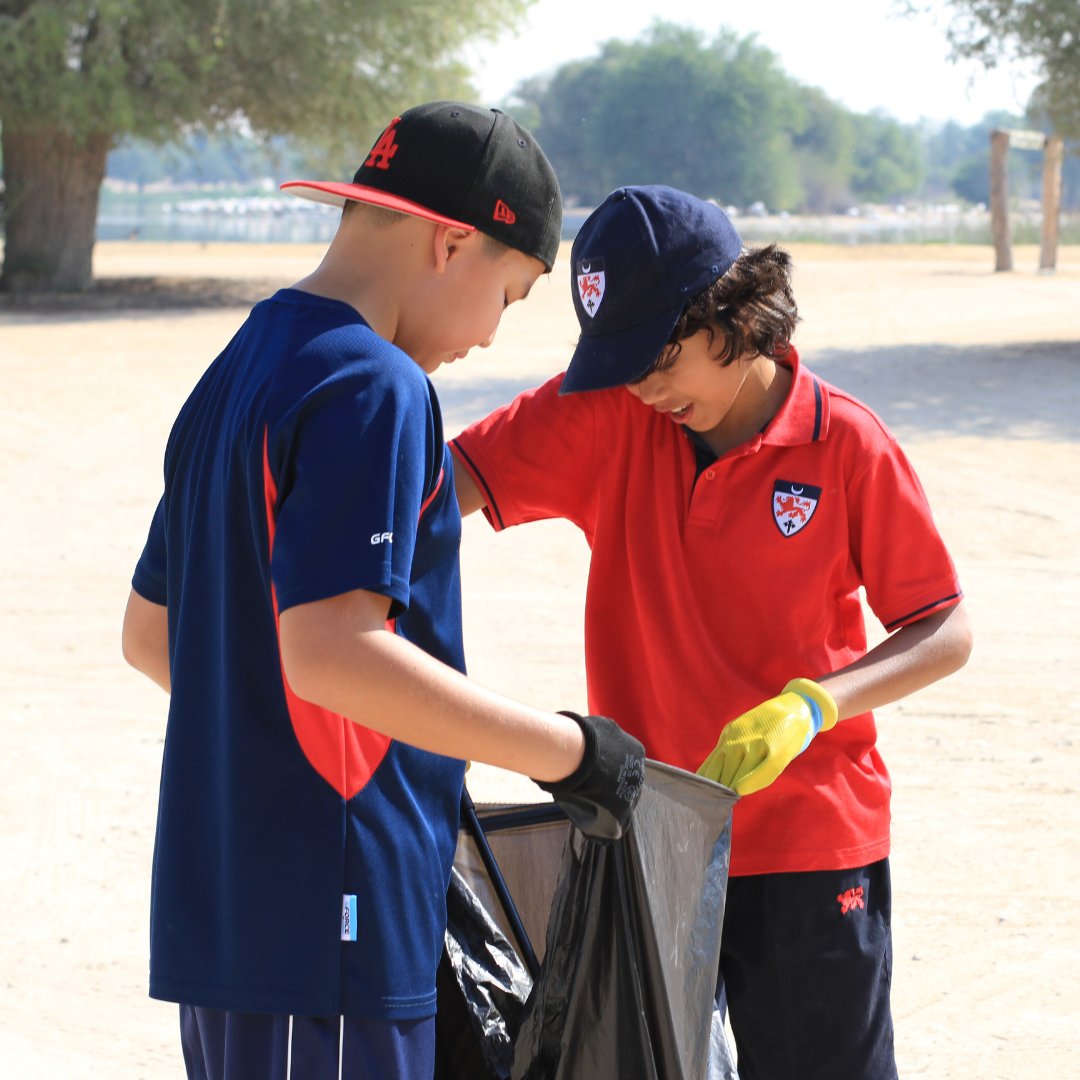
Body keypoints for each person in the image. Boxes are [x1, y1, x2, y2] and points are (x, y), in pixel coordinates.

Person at [120, 102, 645, 1080]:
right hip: (334, 916)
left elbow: (154, 636)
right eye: (513, 294)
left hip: (241, 906)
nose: (492, 338)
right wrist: (569, 751)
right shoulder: (376, 386)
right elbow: (331, 654)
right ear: (454, 242)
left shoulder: (239, 367)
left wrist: (270, 746)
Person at [450, 184, 972, 1079]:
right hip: (644, 844)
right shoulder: (607, 410)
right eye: (619, 361)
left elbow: (944, 626)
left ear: (736, 313)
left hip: (811, 845)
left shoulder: (847, 444)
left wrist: (816, 706)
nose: (646, 387)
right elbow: (429, 488)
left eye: (661, 355)